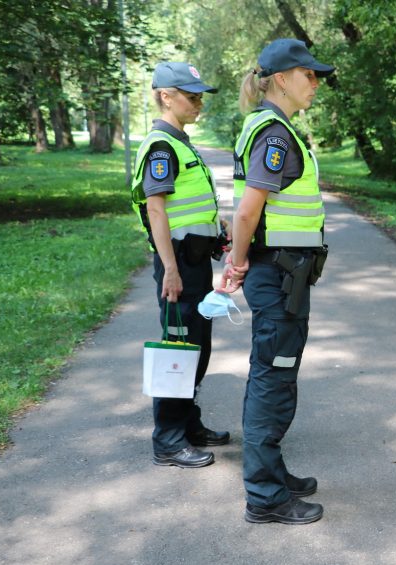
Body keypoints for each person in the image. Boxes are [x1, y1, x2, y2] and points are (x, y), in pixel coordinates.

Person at [222, 39, 334, 525]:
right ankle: (265, 497)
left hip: (285, 275)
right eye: (309, 75)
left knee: (274, 374)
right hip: (277, 275)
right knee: (273, 379)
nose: (315, 84)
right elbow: (247, 211)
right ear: (282, 78)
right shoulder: (274, 134)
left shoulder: (277, 129)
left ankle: (272, 471)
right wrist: (238, 263)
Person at [131, 62, 231, 469]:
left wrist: (217, 228)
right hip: (177, 266)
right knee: (178, 349)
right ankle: (168, 440)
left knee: (197, 346)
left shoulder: (181, 142)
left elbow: (189, 204)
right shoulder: (160, 145)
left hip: (194, 264)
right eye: (191, 96)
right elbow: (156, 210)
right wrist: (169, 269)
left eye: (200, 96)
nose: (199, 103)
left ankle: (189, 424)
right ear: (165, 96)